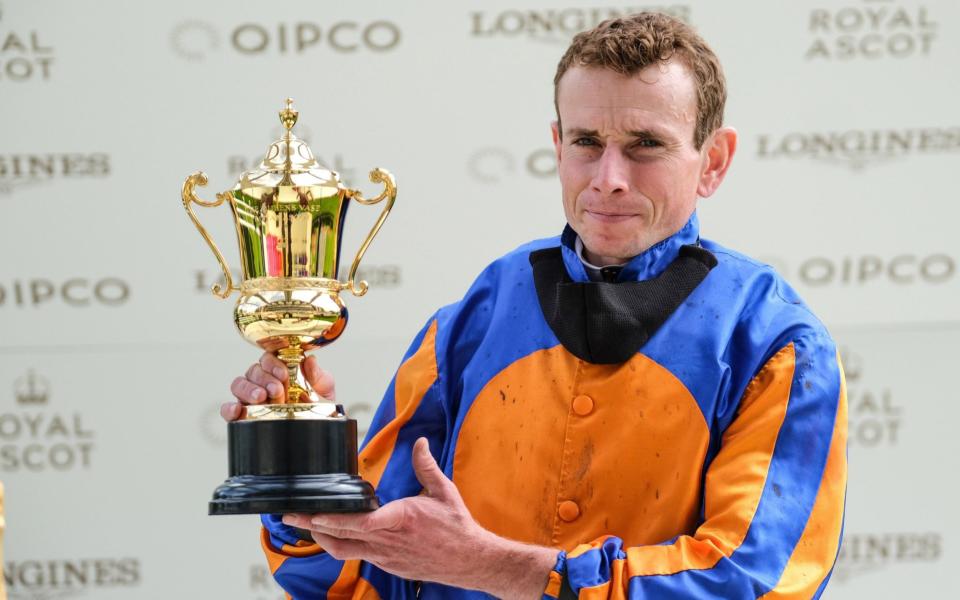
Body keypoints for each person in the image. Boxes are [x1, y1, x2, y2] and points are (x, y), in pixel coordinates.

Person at [223, 12, 847, 599]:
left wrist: (499, 567)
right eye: (586, 141)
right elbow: (358, 578)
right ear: (556, 143)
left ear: (712, 161)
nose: (608, 177)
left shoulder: (774, 342)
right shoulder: (478, 313)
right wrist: (303, 465)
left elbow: (758, 582)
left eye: (645, 145)